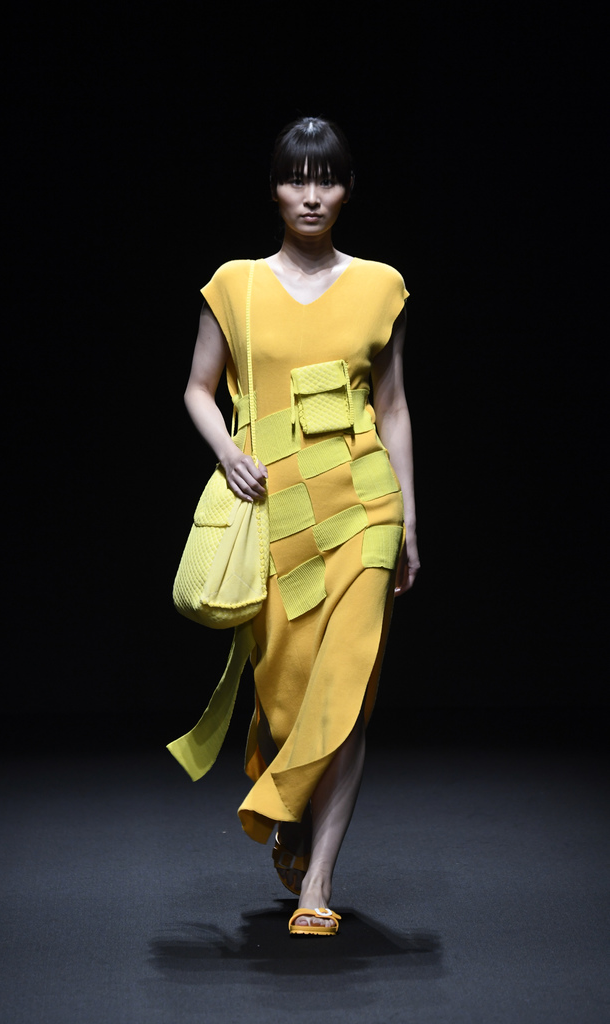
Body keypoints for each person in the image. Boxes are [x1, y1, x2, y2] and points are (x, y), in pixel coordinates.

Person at [170, 116, 420, 936]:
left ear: (347, 190)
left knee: (347, 691)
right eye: (295, 179)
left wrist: (409, 520)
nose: (311, 195)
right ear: (274, 189)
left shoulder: (381, 285)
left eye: (327, 179)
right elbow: (198, 387)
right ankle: (289, 809)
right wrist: (225, 454)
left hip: (364, 506)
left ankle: (317, 883)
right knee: (285, 696)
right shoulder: (235, 284)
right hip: (277, 510)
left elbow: (392, 407)